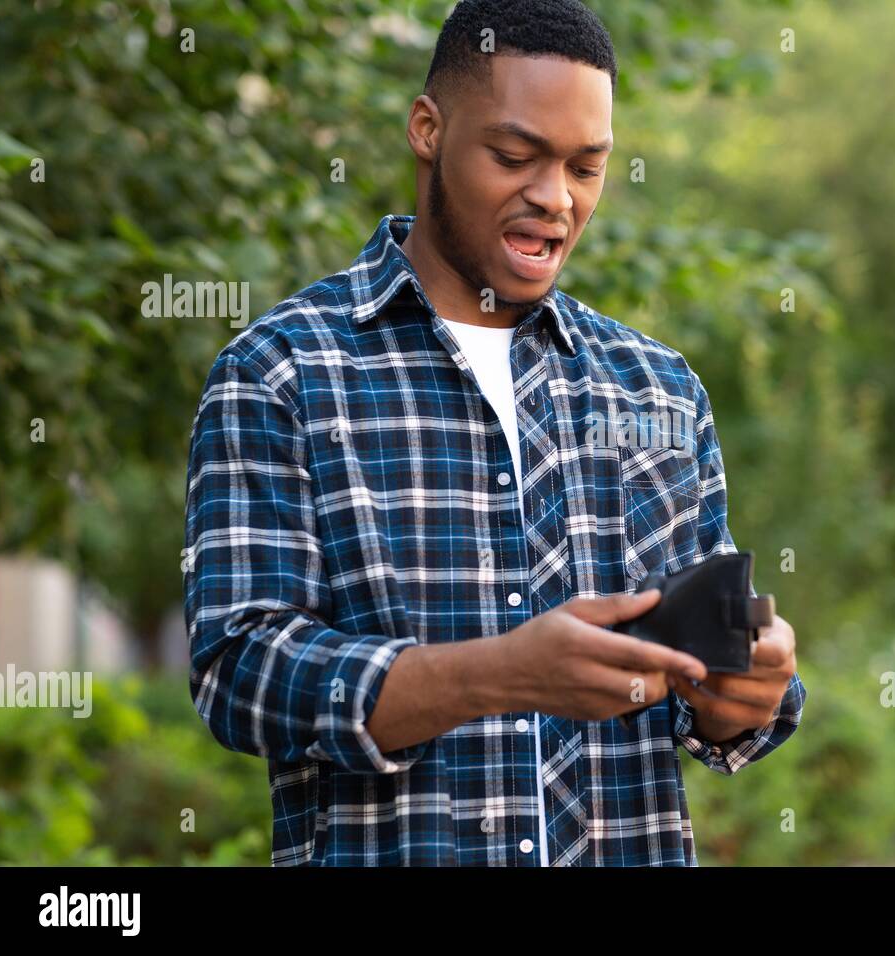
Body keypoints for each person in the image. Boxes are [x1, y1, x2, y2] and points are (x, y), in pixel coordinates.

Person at [183, 0, 805, 866]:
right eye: (515, 157)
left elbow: (708, 700)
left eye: (587, 168)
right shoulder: (281, 373)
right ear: (428, 129)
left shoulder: (659, 388)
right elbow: (239, 676)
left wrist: (746, 691)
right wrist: (498, 674)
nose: (554, 199)